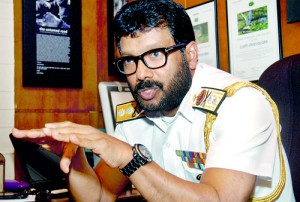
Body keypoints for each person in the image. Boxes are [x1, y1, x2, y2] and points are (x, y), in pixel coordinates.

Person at [12, 0, 295, 201]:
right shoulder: (139, 111)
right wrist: (73, 159)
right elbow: (98, 196)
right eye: (129, 61)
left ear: (191, 54)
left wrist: (128, 157)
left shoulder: (241, 104)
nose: (141, 74)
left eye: (155, 55)